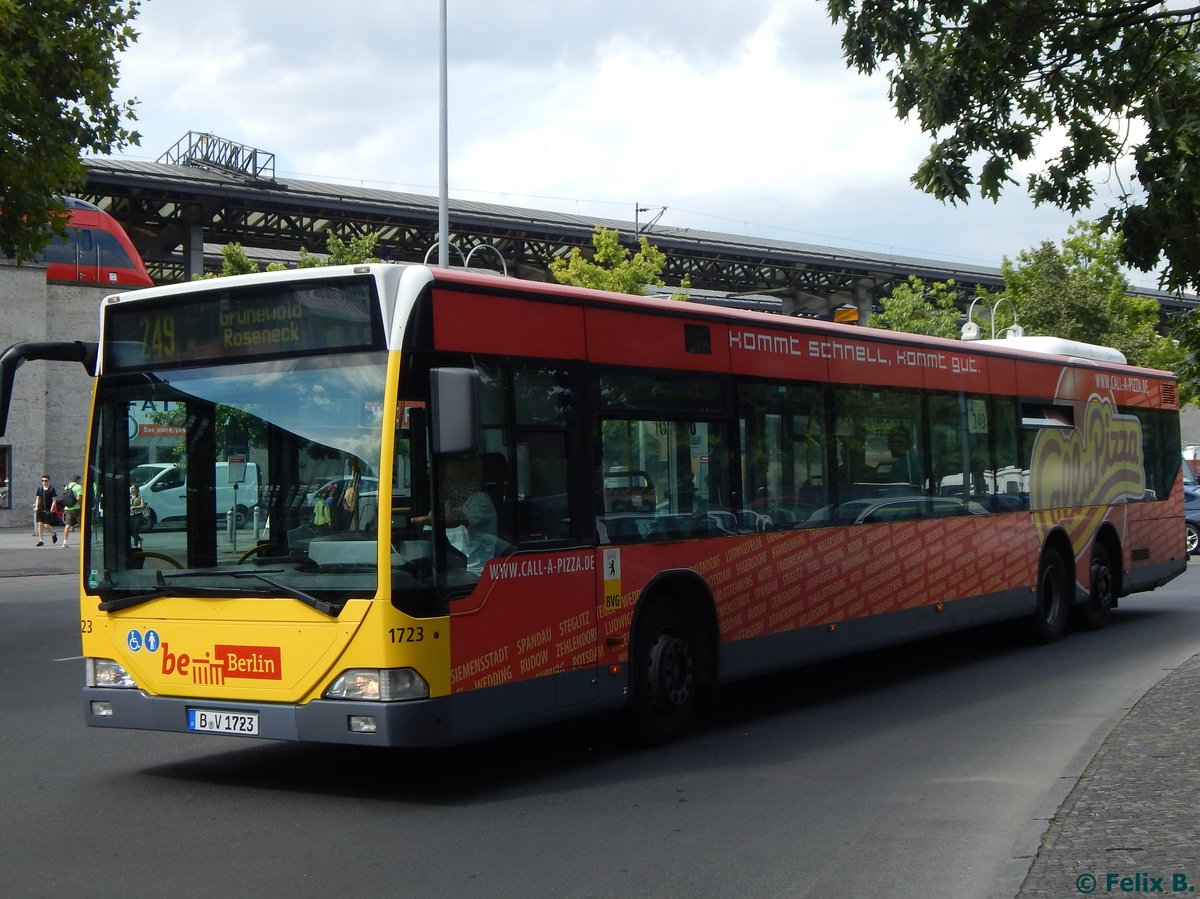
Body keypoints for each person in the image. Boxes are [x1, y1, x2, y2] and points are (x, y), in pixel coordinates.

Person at [412, 455, 498, 576]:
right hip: (450, 568)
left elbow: (454, 519)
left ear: (469, 478)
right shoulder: (444, 505)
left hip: (474, 573)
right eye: (446, 478)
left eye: (455, 477)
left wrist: (418, 520)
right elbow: (428, 535)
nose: (449, 483)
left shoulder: (480, 499)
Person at [34, 475, 59, 546]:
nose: (44, 482)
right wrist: (36, 507)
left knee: (46, 525)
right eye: (42, 481)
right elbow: (37, 499)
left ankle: (54, 533)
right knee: (40, 524)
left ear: (48, 481)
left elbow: (54, 500)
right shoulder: (40, 489)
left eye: (45, 481)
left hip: (47, 509)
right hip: (40, 508)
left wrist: (51, 509)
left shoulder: (51, 489)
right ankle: (40, 540)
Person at [61, 474, 83, 548]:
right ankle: (83, 542)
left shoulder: (67, 487)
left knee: (67, 525)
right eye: (80, 480)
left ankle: (64, 542)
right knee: (81, 525)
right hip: (76, 508)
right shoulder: (79, 487)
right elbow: (78, 498)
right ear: (78, 480)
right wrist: (82, 506)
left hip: (67, 508)